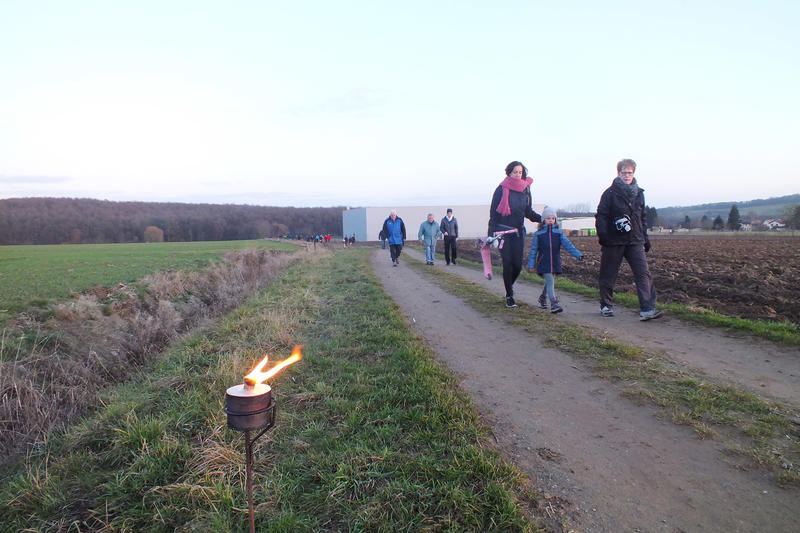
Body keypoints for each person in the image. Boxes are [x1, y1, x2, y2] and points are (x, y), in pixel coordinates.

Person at [595, 158, 663, 321]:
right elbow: (601, 216)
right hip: (614, 240)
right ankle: (606, 305)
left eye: (629, 172)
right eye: (623, 172)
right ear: (618, 173)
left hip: (635, 240)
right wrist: (603, 236)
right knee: (608, 274)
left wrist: (645, 238)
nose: (626, 175)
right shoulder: (609, 194)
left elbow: (642, 217)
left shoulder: (639, 193)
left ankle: (647, 308)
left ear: (634, 173)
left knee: (643, 273)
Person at [489, 161, 542, 308]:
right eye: (515, 172)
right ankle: (510, 296)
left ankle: (508, 288)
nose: (518, 174)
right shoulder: (501, 189)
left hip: (518, 232)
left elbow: (528, 211)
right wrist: (490, 234)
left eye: (520, 172)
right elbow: (493, 213)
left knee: (517, 266)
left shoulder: (526, 189)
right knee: (507, 263)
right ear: (509, 173)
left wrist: (542, 218)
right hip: (502, 232)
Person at [526, 206, 584, 313]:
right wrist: (530, 265)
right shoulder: (538, 235)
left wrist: (578, 255)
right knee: (550, 281)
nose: (551, 220)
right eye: (548, 218)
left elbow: (568, 245)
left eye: (553, 218)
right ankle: (553, 304)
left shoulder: (559, 233)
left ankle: (543, 298)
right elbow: (533, 251)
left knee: (549, 281)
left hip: (555, 262)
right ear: (543, 220)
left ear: (555, 220)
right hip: (543, 262)